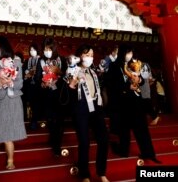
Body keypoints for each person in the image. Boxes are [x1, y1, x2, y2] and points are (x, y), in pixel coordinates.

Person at [106, 44, 161, 163]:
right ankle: (123, 150)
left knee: (142, 129)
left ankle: (149, 153)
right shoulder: (114, 66)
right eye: (127, 52)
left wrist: (140, 80)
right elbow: (111, 85)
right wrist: (127, 86)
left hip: (136, 102)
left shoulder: (133, 65)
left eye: (131, 53)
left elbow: (141, 81)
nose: (129, 55)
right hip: (123, 103)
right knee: (124, 131)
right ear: (122, 53)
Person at [0, 35, 27, 182]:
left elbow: (20, 84)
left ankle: (10, 159)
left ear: (4, 47)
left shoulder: (16, 63)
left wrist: (10, 82)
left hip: (13, 102)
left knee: (9, 137)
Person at [68, 44, 110, 182]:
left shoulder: (93, 71)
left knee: (103, 139)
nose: (90, 58)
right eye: (87, 55)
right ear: (80, 56)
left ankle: (101, 172)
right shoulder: (73, 69)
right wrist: (74, 78)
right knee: (84, 142)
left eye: (92, 55)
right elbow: (71, 86)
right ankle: (85, 175)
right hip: (81, 109)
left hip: (96, 108)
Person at [34, 37, 67, 156]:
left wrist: (59, 72)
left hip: (59, 95)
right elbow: (37, 78)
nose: (47, 51)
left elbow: (67, 77)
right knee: (50, 120)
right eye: (45, 49)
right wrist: (42, 83)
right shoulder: (40, 61)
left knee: (59, 121)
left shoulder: (61, 60)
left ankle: (57, 145)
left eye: (49, 49)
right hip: (46, 95)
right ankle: (53, 138)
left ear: (54, 49)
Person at [23, 43, 41, 129]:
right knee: (32, 103)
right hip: (30, 85)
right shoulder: (28, 60)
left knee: (38, 103)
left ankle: (35, 121)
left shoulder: (41, 60)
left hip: (39, 86)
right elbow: (24, 72)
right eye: (30, 50)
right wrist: (28, 73)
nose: (32, 51)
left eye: (33, 49)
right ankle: (33, 120)